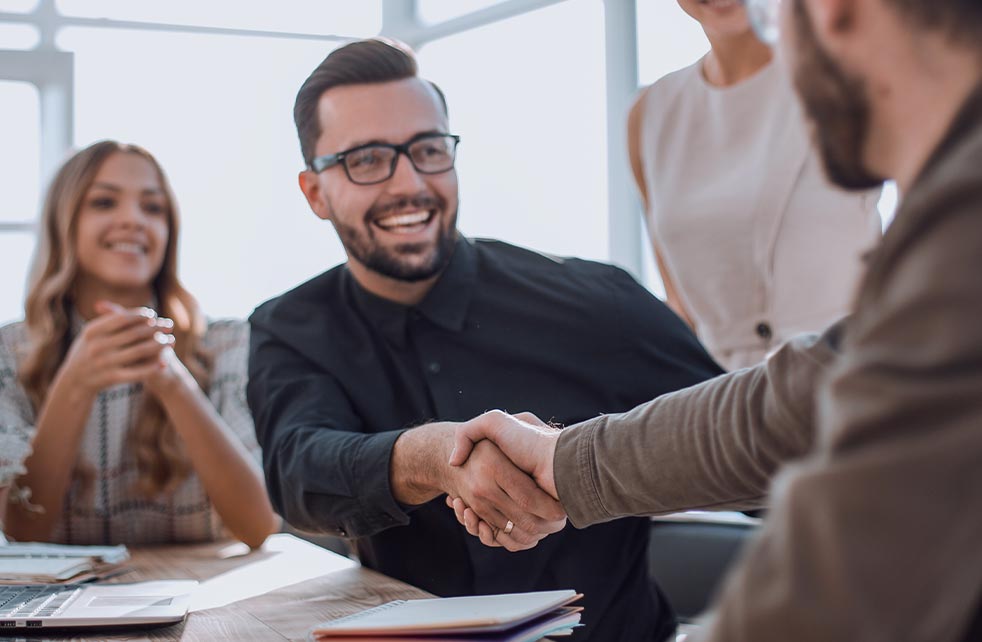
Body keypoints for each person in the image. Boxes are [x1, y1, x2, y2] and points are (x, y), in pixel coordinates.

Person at [447, 0, 982, 639]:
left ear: (836, 13)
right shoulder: (943, 236)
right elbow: (806, 389)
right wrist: (565, 460)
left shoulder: (958, 244)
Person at [247, 39, 724, 641]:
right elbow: (299, 474)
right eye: (367, 159)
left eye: (427, 150)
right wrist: (433, 457)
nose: (409, 183)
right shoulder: (290, 326)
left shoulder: (599, 302)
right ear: (315, 192)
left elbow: (747, 441)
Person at [0, 141, 278, 547]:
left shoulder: (226, 343)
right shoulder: (10, 353)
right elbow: (22, 531)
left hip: (208, 601)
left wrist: (173, 382)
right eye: (104, 202)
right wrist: (74, 384)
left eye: (153, 207)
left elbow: (258, 526)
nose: (133, 219)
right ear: (63, 222)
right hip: (68, 607)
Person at [630, 0, 881, 370]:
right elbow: (682, 313)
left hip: (856, 382)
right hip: (718, 406)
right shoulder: (651, 114)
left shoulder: (849, 69)